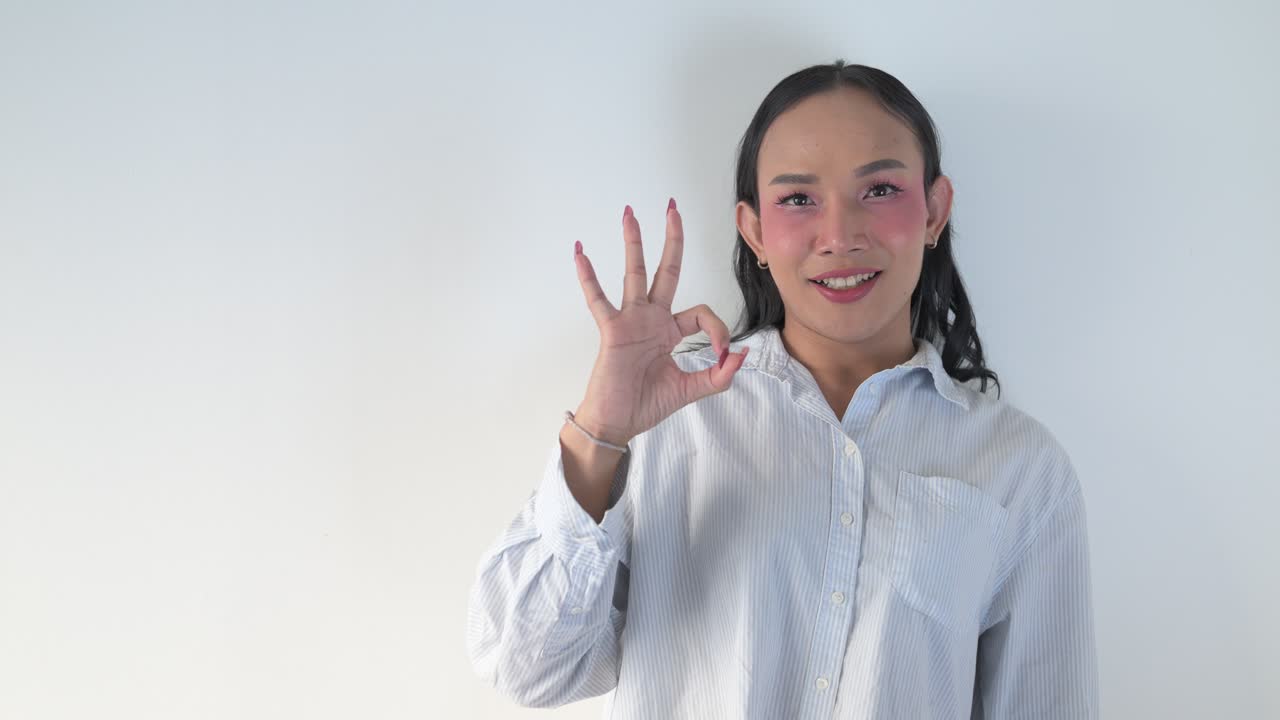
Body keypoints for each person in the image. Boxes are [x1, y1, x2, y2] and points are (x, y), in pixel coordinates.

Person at [465, 60, 1098, 719]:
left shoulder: (1022, 470)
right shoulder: (671, 422)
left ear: (935, 211)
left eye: (880, 189)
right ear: (755, 231)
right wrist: (601, 430)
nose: (841, 236)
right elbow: (526, 668)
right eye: (798, 199)